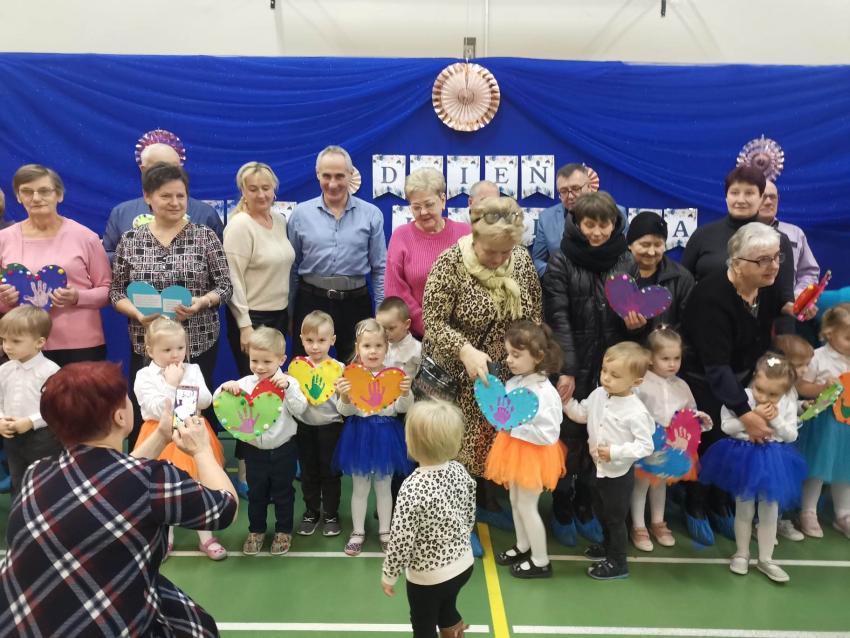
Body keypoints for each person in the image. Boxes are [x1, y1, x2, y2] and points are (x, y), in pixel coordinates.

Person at [0, 361, 237, 637]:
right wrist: (202, 450)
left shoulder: (35, 473)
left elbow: (113, 478)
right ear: (120, 417)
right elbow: (225, 508)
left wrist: (161, 437)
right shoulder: (153, 479)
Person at [680, 222, 815, 546]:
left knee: (736, 451)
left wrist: (792, 309)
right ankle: (695, 506)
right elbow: (716, 367)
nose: (774, 266)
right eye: (763, 260)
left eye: (777, 257)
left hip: (744, 377)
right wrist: (746, 413)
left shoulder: (765, 286)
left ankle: (721, 504)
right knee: (711, 444)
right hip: (705, 381)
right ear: (737, 264)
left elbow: (772, 317)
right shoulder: (711, 297)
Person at [421, 197, 541, 531]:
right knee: (455, 447)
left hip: (501, 375)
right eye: (492, 252)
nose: (500, 259)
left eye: (506, 251)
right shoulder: (450, 263)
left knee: (490, 442)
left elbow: (534, 313)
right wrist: (464, 349)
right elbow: (433, 322)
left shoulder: (520, 260)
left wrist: (527, 356)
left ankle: (486, 503)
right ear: (475, 237)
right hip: (457, 377)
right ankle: (458, 520)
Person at [110, 162, 232, 449]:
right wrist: (137, 313)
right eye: (166, 196)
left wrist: (202, 302)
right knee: (152, 407)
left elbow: (225, 287)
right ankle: (149, 462)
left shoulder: (205, 236)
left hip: (197, 341)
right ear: (148, 197)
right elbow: (116, 292)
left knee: (193, 407)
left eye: (181, 195)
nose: (175, 202)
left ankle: (196, 462)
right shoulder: (130, 240)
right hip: (148, 342)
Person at [542, 191, 632, 546]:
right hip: (572, 364)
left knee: (603, 435)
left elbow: (628, 318)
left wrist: (635, 324)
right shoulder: (561, 260)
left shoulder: (625, 260)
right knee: (568, 437)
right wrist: (567, 369)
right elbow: (558, 317)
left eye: (603, 225)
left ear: (614, 224)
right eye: (589, 224)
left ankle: (585, 504)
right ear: (576, 224)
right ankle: (562, 504)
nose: (596, 232)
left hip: (610, 368)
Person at [700, 354, 806, 582]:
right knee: (744, 509)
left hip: (773, 460)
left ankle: (766, 559)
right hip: (744, 458)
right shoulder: (741, 397)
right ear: (755, 378)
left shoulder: (787, 403)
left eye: (773, 394)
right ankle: (742, 553)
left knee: (770, 511)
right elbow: (726, 426)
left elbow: (791, 435)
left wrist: (776, 420)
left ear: (785, 391)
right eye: (760, 389)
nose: (764, 397)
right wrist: (751, 416)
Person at [133, 317, 227, 560]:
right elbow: (156, 409)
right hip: (159, 435)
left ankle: (206, 537)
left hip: (192, 430)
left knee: (200, 481)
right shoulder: (144, 376)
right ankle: (166, 537)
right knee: (163, 486)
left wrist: (184, 381)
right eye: (167, 350)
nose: (175, 355)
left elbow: (205, 400)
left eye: (180, 348)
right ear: (150, 350)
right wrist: (171, 384)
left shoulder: (192, 369)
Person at [0, 164, 112, 366]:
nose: (36, 198)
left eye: (44, 191)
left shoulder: (85, 237)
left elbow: (108, 290)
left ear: (59, 195)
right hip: (23, 345)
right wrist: (5, 299)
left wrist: (77, 297)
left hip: (80, 344)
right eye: (27, 191)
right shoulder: (4, 239)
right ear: (18, 196)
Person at [381, 400, 475, 638]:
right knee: (447, 608)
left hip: (428, 577)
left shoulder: (412, 487)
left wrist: (390, 574)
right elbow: (469, 512)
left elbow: (400, 540)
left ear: (412, 443)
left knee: (423, 627)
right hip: (463, 564)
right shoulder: (459, 471)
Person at [564, 342, 655, 580]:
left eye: (615, 375)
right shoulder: (598, 394)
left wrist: (615, 452)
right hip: (597, 468)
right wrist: (565, 402)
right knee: (601, 511)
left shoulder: (636, 411)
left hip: (618, 474)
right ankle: (607, 546)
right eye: (604, 370)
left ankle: (618, 562)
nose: (606, 378)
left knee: (615, 519)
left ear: (636, 382)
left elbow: (646, 445)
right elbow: (582, 413)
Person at [288, 145, 386, 362]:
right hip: (310, 302)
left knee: (358, 370)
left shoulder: (372, 215)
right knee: (304, 371)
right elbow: (292, 267)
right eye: (327, 176)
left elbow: (380, 268)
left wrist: (380, 314)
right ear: (317, 175)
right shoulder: (300, 215)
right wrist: (290, 312)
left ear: (351, 174)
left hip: (355, 304)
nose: (333, 184)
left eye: (340, 176)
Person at [215, 327, 308, 556]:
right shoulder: (245, 383)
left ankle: (283, 531)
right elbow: (220, 401)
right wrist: (225, 387)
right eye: (254, 360)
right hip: (254, 451)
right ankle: (256, 530)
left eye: (267, 361)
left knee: (283, 493)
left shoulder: (289, 383)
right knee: (256, 493)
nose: (259, 367)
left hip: (284, 450)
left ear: (281, 360)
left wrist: (288, 388)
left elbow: (301, 409)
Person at [485, 321, 566, 579]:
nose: (509, 360)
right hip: (514, 450)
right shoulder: (515, 382)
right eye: (508, 353)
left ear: (538, 357)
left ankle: (541, 560)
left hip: (534, 455)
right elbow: (504, 412)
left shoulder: (544, 393)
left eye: (516, 355)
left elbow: (549, 434)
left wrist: (514, 430)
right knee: (515, 501)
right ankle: (523, 545)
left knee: (528, 506)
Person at [334, 319, 414, 556]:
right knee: (359, 487)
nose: (373, 351)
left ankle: (385, 531)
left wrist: (406, 392)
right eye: (367, 346)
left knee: (384, 486)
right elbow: (344, 411)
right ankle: (357, 532)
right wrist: (345, 397)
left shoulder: (395, 375)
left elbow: (402, 408)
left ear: (386, 348)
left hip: (386, 436)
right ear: (358, 348)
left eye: (378, 345)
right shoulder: (351, 375)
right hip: (358, 435)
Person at [630, 327, 712, 551]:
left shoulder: (681, 385)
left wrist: (697, 419)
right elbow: (631, 409)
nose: (672, 364)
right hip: (647, 440)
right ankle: (638, 526)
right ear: (650, 357)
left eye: (677, 358)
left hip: (671, 443)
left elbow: (689, 411)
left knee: (661, 483)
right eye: (665, 358)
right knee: (641, 484)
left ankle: (658, 522)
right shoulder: (641, 383)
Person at [681, 166, 795, 318]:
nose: (741, 200)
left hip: (758, 326)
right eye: (734, 193)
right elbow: (683, 285)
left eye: (749, 193)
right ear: (726, 197)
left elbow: (785, 297)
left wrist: (796, 312)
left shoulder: (777, 240)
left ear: (761, 197)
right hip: (706, 321)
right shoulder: (702, 235)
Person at [103, 130, 223, 261]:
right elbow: (106, 257)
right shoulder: (122, 213)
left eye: (175, 168)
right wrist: (140, 258)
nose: (169, 174)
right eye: (161, 168)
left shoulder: (205, 214)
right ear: (143, 170)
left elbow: (220, 262)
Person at [224, 161, 295, 375]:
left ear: (274, 190)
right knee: (255, 385)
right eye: (253, 189)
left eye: (266, 188)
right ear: (243, 192)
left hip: (279, 315)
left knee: (274, 383)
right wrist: (245, 326)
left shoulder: (279, 221)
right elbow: (232, 278)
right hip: (252, 319)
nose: (261, 195)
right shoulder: (240, 225)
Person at [385, 168, 470, 339]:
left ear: (443, 200)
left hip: (465, 335)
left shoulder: (466, 234)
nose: (423, 212)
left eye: (429, 204)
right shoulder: (401, 236)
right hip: (417, 338)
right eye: (416, 207)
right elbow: (395, 291)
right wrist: (432, 328)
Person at [795, 303, 850, 539]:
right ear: (829, 332)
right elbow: (801, 386)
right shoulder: (818, 357)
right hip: (824, 423)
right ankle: (808, 511)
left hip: (846, 425)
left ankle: (844, 514)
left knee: (845, 469)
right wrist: (821, 387)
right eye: (848, 338)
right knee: (818, 467)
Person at [293, 311, 346, 538]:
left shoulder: (339, 368)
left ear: (332, 340)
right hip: (304, 427)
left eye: (322, 340)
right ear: (301, 339)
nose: (315, 346)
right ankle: (312, 511)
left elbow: (344, 403)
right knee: (308, 472)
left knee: (330, 472)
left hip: (331, 427)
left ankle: (331, 514)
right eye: (310, 340)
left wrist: (345, 392)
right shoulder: (296, 369)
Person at [0, 306, 60, 497]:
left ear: (39, 342)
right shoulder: (4, 370)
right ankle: (20, 513)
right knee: (17, 480)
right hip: (11, 437)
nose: (7, 346)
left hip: (43, 438)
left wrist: (31, 421)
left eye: (16, 341)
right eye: (3, 340)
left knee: (44, 483)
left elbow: (55, 408)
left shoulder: (50, 371)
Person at [623, 211, 695, 337]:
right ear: (630, 244)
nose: (651, 252)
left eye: (658, 245)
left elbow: (688, 326)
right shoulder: (615, 275)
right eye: (645, 245)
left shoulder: (681, 278)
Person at [757, 180, 820, 297]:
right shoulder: (739, 233)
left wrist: (798, 295)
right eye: (763, 197)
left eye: (772, 197)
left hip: (789, 304)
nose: (769, 202)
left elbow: (809, 272)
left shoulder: (795, 233)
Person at [378, 296, 423, 378]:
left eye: (391, 328)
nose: (386, 333)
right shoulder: (379, 345)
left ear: (407, 324)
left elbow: (421, 378)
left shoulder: (418, 349)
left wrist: (411, 382)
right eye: (382, 328)